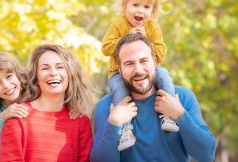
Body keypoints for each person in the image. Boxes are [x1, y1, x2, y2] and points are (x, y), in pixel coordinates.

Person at [91, 33, 216, 162]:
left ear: (155, 62)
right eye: (129, 64)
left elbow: (207, 155)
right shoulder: (107, 106)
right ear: (120, 69)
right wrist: (114, 124)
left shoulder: (182, 97)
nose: (138, 70)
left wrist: (180, 115)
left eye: (144, 61)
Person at [101, 0, 178, 151]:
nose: (140, 11)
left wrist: (147, 43)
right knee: (119, 89)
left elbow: (161, 54)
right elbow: (106, 48)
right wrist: (125, 38)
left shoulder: (152, 27)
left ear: (153, 11)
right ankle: (126, 130)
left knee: (164, 74)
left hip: (148, 71)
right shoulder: (119, 24)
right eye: (135, 5)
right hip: (118, 72)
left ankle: (168, 114)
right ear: (125, 6)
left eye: (146, 7)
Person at [0, 44, 93, 162]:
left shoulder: (81, 121)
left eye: (60, 67)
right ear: (36, 77)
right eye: (45, 68)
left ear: (70, 74)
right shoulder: (18, 118)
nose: (53, 73)